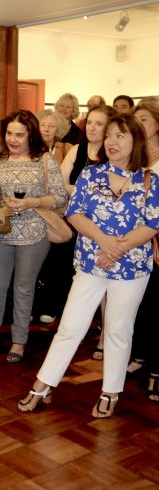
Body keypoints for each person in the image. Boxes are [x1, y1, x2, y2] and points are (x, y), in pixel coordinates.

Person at [18, 113, 159, 418]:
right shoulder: (91, 174)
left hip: (131, 268)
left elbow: (152, 224)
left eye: (120, 135)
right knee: (70, 326)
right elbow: (75, 213)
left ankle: (111, 391)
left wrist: (117, 248)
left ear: (135, 140)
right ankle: (43, 384)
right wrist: (105, 242)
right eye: (109, 135)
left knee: (119, 331)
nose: (111, 141)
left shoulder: (149, 180)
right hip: (91, 263)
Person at [0, 110, 67, 362]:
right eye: (9, 134)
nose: (13, 139)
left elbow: (60, 197)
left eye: (19, 135)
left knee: (23, 288)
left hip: (35, 232)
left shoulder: (45, 160)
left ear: (31, 135)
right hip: (1, 231)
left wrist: (32, 202)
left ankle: (19, 339)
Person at [37, 105, 113, 327]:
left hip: (102, 223)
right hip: (72, 217)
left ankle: (98, 320)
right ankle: (56, 307)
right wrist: (83, 191)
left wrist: (77, 190)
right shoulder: (77, 150)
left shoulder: (113, 154)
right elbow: (58, 185)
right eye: (89, 122)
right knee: (60, 262)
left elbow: (112, 192)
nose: (92, 127)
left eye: (99, 124)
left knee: (96, 274)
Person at [129, 101, 159, 391]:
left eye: (145, 119)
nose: (138, 124)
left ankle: (157, 368)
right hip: (133, 243)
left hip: (156, 241)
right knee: (139, 302)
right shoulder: (132, 158)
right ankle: (139, 354)